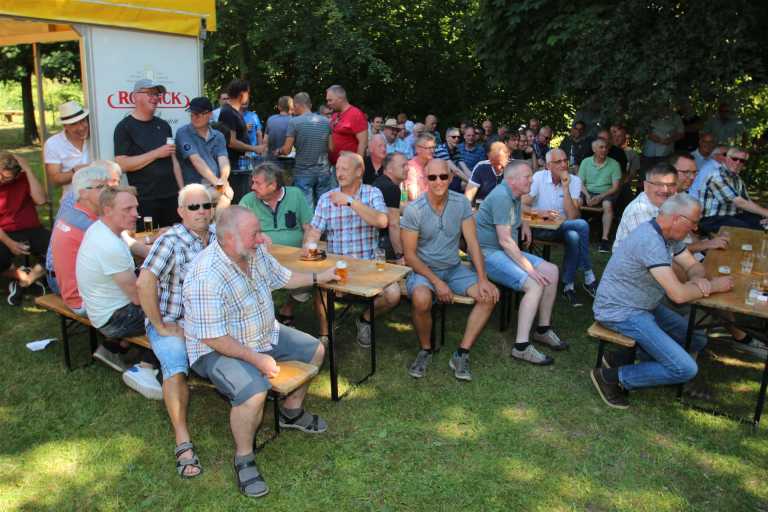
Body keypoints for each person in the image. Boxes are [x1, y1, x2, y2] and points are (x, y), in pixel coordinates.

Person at [182, 205, 337, 498]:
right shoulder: (205, 275)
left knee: (315, 351)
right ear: (229, 238)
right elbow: (214, 337)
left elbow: (284, 278)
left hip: (264, 334)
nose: (261, 238)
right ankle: (244, 457)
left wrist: (320, 277)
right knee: (253, 393)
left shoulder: (253, 252)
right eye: (254, 233)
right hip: (216, 348)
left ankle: (291, 412)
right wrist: (257, 359)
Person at [590, 194, 734, 409]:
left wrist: (698, 279)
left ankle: (622, 357)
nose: (695, 228)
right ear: (677, 219)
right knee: (685, 368)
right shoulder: (650, 241)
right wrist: (713, 286)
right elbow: (678, 295)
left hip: (645, 305)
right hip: (621, 311)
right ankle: (611, 377)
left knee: (696, 339)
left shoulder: (667, 235)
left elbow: (693, 266)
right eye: (694, 222)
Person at [137, 184, 217, 479]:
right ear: (181, 211)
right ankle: (182, 439)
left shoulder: (216, 237)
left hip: (208, 320)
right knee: (175, 366)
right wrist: (159, 325)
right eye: (194, 207)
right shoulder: (170, 241)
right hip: (173, 321)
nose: (201, 212)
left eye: (206, 205)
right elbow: (144, 282)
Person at [401, 159, 499, 380]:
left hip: (454, 269)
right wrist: (437, 282)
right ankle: (425, 349)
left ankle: (461, 353)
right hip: (424, 270)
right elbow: (410, 256)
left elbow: (473, 243)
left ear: (451, 177)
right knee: (421, 299)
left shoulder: (461, 203)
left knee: (489, 295)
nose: (438, 181)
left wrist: (483, 278)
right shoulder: (414, 210)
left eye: (443, 176)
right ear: (425, 180)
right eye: (432, 177)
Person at [475, 160, 569, 365]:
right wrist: (529, 269)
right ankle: (521, 347)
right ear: (512, 180)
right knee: (534, 283)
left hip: (503, 251)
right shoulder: (501, 196)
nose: (532, 180)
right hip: (488, 255)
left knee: (551, 271)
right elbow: (506, 241)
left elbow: (518, 211)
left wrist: (524, 223)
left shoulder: (514, 194)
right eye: (527, 177)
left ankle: (542, 330)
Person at [304, 151, 399, 347]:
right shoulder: (326, 198)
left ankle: (365, 319)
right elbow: (314, 231)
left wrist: (350, 201)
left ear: (359, 171)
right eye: (337, 168)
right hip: (338, 267)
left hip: (369, 266)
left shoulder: (372, 193)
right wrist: (309, 243)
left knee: (393, 294)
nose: (339, 173)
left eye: (344, 169)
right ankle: (325, 335)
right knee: (320, 287)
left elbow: (382, 221)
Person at [76, 186, 162, 398]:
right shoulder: (109, 245)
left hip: (102, 308)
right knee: (177, 310)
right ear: (107, 210)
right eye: (128, 209)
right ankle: (145, 368)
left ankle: (113, 348)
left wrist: (164, 256)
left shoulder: (104, 228)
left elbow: (135, 247)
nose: (136, 214)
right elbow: (139, 298)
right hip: (114, 318)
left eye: (136, 208)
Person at [240, 163, 313, 325]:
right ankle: (264, 316)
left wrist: (307, 245)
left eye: (257, 183)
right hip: (261, 259)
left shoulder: (295, 195)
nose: (252, 187)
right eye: (253, 182)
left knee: (309, 278)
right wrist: (258, 235)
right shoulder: (248, 201)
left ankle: (288, 308)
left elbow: (308, 226)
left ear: (272, 185)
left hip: (295, 257)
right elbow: (239, 231)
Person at [523, 149, 597, 307]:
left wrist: (565, 188)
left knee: (574, 235)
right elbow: (522, 203)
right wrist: (543, 215)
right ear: (548, 165)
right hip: (541, 227)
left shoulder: (574, 181)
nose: (564, 165)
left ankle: (568, 284)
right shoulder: (539, 177)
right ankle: (588, 273)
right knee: (582, 225)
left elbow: (572, 217)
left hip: (564, 228)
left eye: (565, 160)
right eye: (558, 162)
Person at [114, 79, 183, 229]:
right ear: (135, 96)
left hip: (172, 197)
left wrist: (182, 191)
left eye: (157, 94)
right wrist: (156, 153)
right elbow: (122, 165)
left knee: (174, 236)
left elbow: (174, 161)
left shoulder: (164, 125)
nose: (155, 98)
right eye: (150, 93)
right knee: (147, 238)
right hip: (144, 200)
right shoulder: (124, 127)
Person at [0, 152, 49, 306]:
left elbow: (41, 200)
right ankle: (22, 275)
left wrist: (28, 169)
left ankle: (24, 282)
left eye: (6, 177)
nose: (1, 179)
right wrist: (10, 244)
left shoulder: (23, 178)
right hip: (4, 233)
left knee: (57, 249)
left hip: (31, 228)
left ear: (16, 175)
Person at [175, 96, 233, 209]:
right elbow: (196, 161)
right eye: (192, 114)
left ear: (209, 114)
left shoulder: (218, 136)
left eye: (198, 114)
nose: (194, 117)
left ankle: (216, 220)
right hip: (194, 187)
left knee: (227, 195)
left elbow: (224, 161)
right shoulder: (183, 132)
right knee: (225, 194)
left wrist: (223, 180)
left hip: (214, 184)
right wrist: (219, 185)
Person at [280, 92, 332, 209]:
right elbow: (331, 148)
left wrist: (279, 151)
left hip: (303, 172)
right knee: (324, 206)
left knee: (306, 208)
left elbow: (287, 150)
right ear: (310, 105)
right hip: (323, 171)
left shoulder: (294, 122)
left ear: (297, 105)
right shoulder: (326, 122)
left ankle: (309, 222)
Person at [218, 79, 265, 203]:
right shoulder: (228, 112)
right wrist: (254, 148)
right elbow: (231, 141)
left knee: (243, 198)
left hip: (239, 165)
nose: (248, 96)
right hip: (233, 166)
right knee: (237, 201)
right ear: (242, 95)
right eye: (248, 93)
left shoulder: (235, 112)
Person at [700, 147, 768, 232]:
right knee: (750, 229)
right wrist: (766, 213)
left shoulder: (737, 178)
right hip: (711, 220)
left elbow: (747, 201)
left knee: (760, 221)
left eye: (742, 161)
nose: (738, 162)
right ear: (726, 159)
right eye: (734, 159)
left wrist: (763, 216)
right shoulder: (717, 176)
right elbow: (740, 203)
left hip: (731, 216)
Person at [613, 162, 677, 250]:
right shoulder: (639, 209)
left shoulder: (670, 203)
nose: (665, 190)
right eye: (658, 184)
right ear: (646, 186)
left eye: (671, 185)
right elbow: (652, 250)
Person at [579, 138, 622, 252]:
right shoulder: (586, 162)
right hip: (588, 191)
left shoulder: (614, 164)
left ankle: (605, 240)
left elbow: (615, 187)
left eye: (606, 147)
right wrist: (587, 196)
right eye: (601, 147)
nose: (604, 150)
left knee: (607, 204)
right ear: (594, 149)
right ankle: (574, 233)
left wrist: (600, 196)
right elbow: (580, 183)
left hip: (606, 192)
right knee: (577, 201)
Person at [44, 101, 90, 193]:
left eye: (82, 121)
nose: (81, 127)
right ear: (65, 126)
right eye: (74, 124)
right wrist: (75, 172)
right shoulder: (53, 143)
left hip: (103, 196)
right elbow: (55, 179)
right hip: (73, 198)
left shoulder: (97, 135)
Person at [372, 152, 407, 262]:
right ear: (390, 169)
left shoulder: (380, 182)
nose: (407, 169)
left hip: (373, 241)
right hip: (382, 244)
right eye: (403, 166)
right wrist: (399, 255)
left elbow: (392, 208)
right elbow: (393, 225)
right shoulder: (391, 188)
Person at [326, 85, 368, 166]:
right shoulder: (335, 115)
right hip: (334, 166)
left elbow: (363, 143)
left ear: (340, 98)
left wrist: (357, 166)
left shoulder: (356, 114)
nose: (328, 103)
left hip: (348, 167)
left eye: (330, 100)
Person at [641, 110, 684, 180]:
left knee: (663, 177)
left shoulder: (675, 117)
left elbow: (681, 133)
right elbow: (641, 128)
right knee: (645, 176)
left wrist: (670, 139)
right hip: (648, 152)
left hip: (666, 153)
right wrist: (649, 134)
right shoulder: (650, 113)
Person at [435, 126, 472, 192]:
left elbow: (464, 168)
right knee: (465, 184)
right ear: (447, 138)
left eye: (458, 137)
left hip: (448, 178)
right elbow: (455, 170)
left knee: (465, 184)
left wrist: (474, 181)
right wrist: (471, 183)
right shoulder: (441, 150)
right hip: (436, 179)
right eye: (453, 137)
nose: (456, 139)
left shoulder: (456, 150)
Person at [264, 96, 294, 173]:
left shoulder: (271, 119)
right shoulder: (294, 121)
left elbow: (265, 141)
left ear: (279, 107)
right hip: (288, 163)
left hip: (270, 161)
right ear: (292, 107)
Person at [404, 133, 436, 200]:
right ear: (418, 149)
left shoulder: (434, 163)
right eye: (428, 148)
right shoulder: (410, 167)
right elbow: (414, 196)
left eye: (433, 147)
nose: (432, 151)